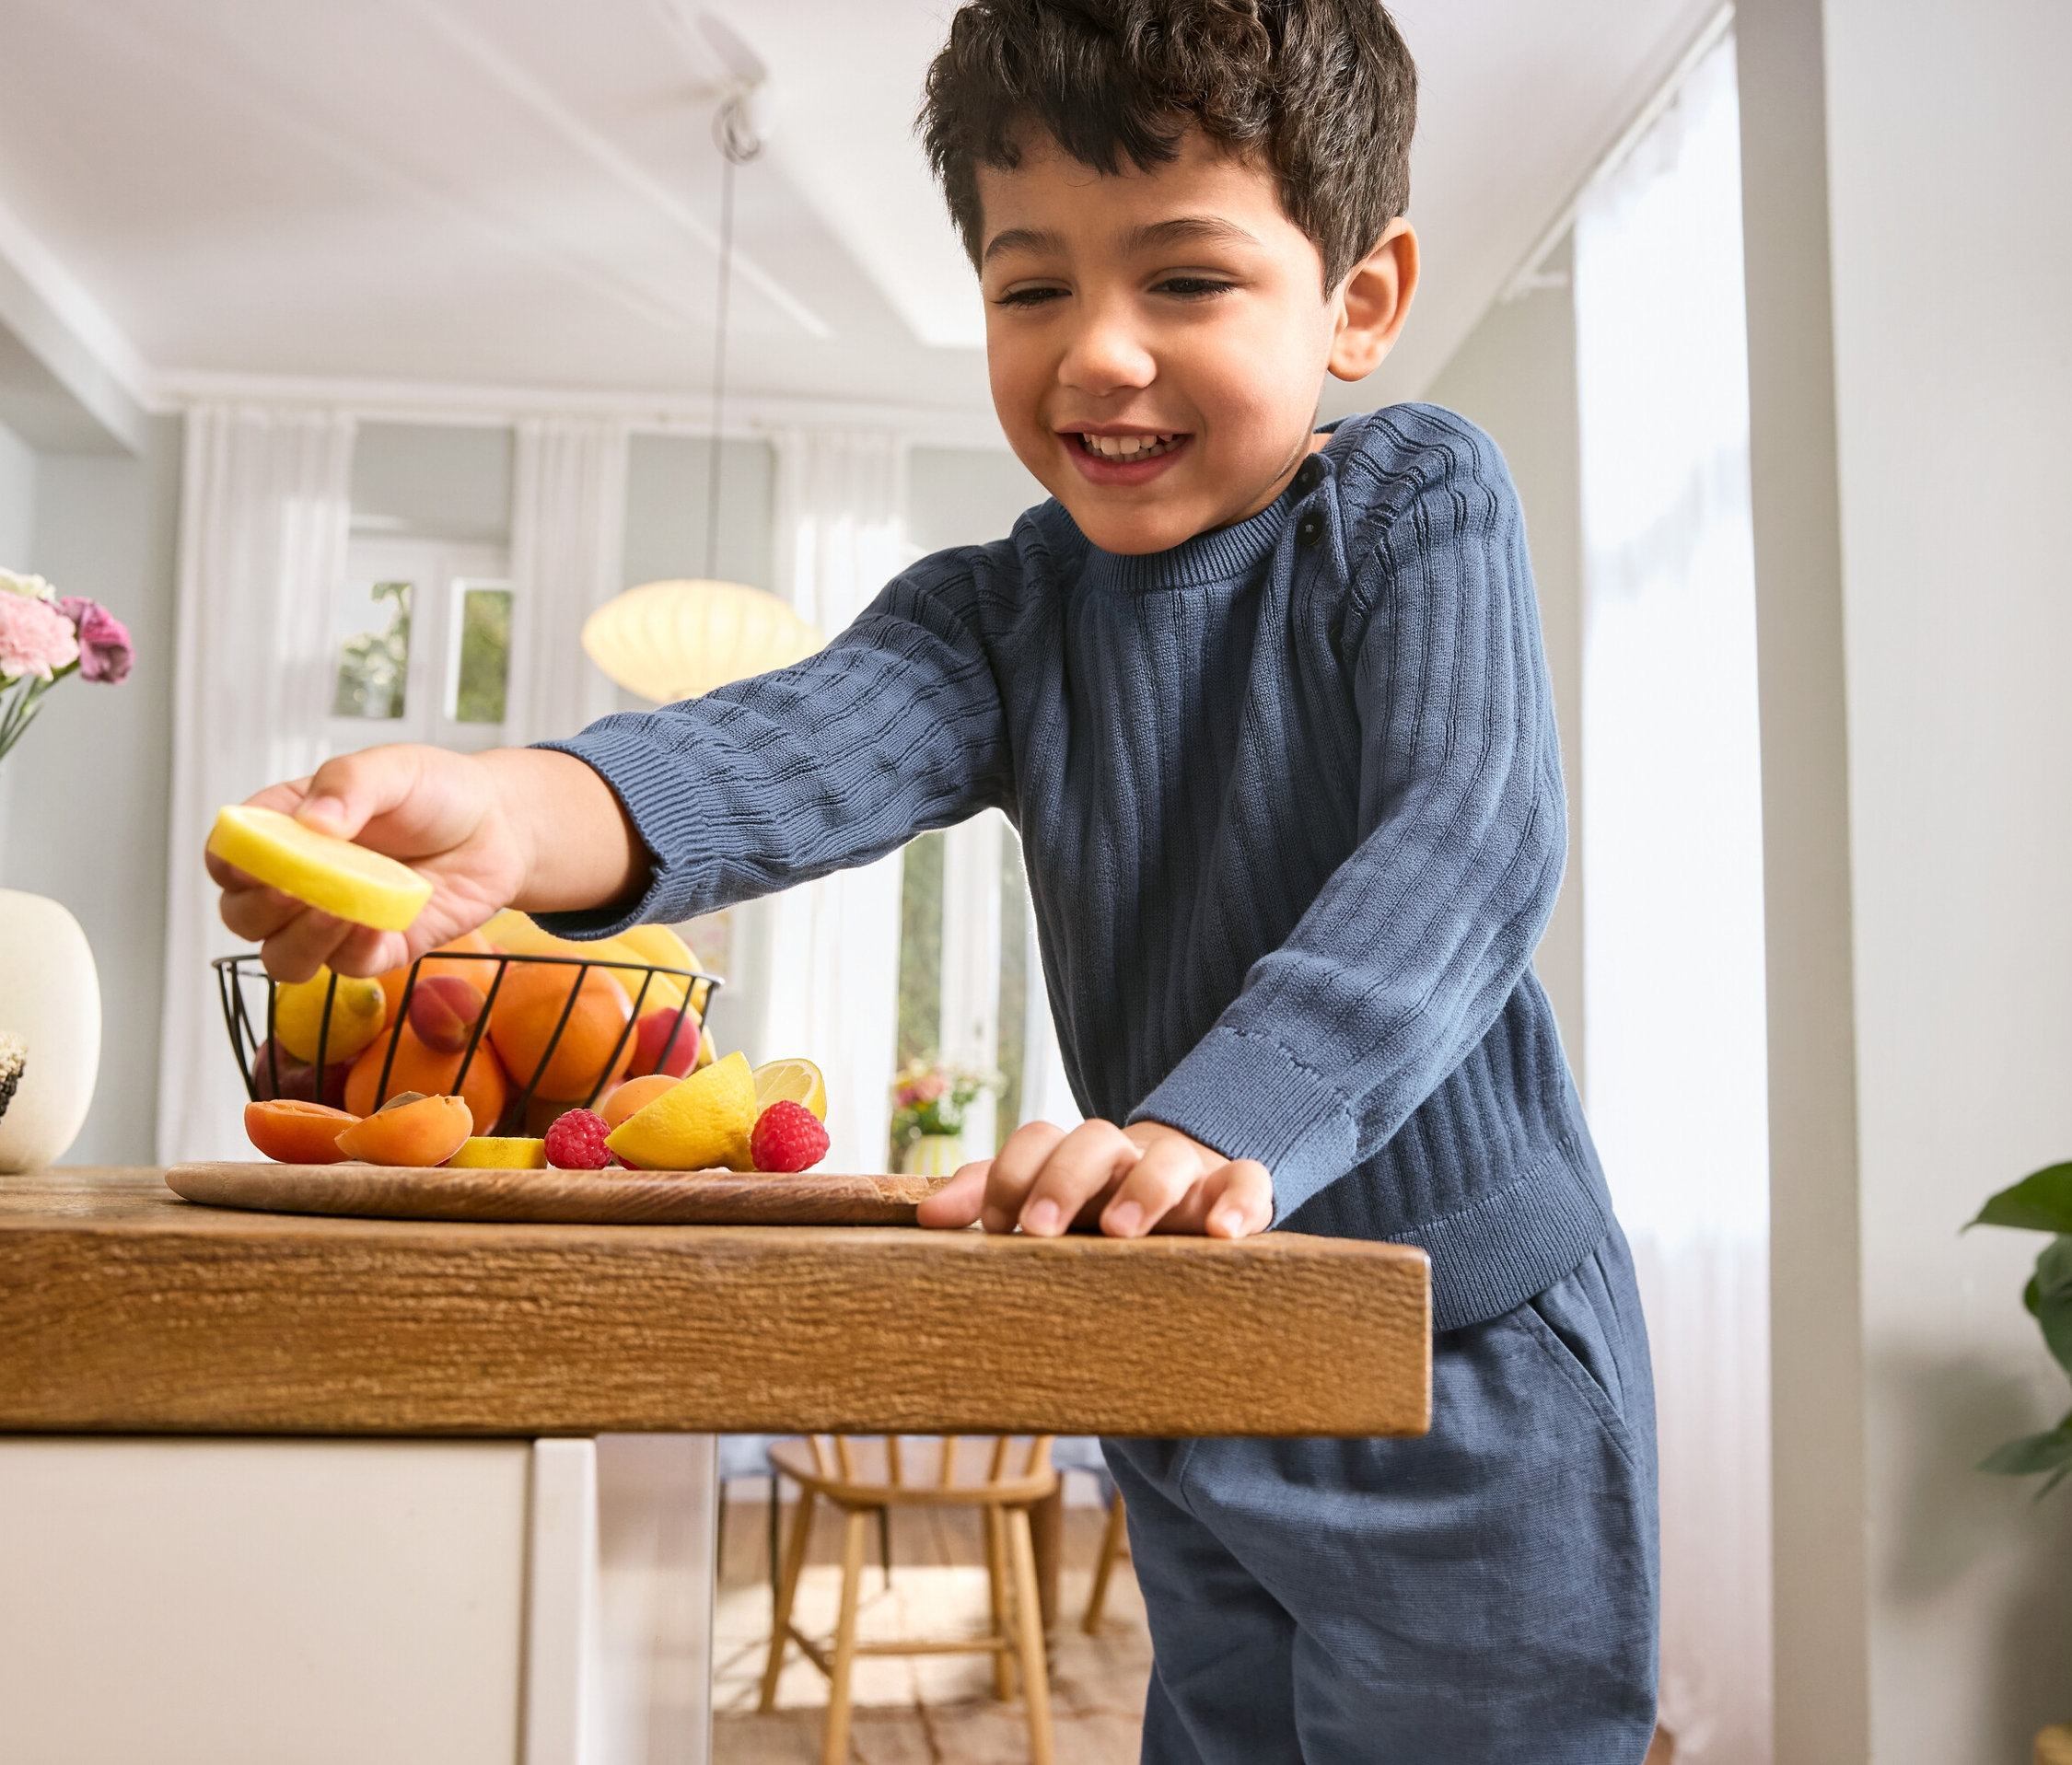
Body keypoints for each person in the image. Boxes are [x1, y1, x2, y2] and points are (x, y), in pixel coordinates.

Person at [211, 1, 1659, 1757]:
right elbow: (772, 751)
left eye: (1186, 282)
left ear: (1355, 300)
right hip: (1188, 1354)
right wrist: (513, 808)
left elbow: (1465, 842)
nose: (1097, 357)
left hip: (1465, 1366)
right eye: (1032, 287)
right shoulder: (1000, 613)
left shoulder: (1416, 502)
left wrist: (1215, 1126)